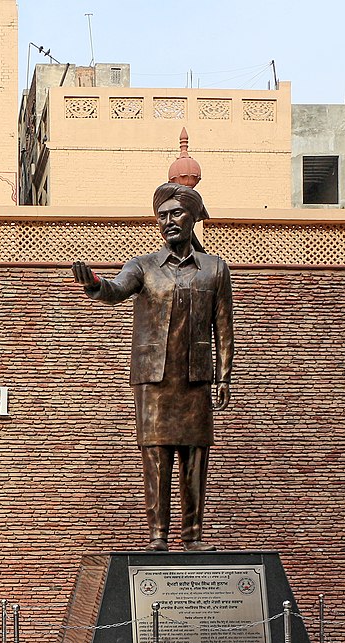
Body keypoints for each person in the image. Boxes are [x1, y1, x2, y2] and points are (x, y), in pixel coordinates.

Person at [71, 183, 233, 551]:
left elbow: (223, 327)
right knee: (156, 457)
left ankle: (192, 538)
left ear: (193, 218)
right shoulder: (142, 267)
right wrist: (94, 282)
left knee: (194, 458)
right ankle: (158, 537)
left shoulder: (215, 269)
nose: (169, 221)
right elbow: (115, 289)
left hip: (196, 379)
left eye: (176, 213)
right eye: (162, 216)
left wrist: (224, 376)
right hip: (153, 380)